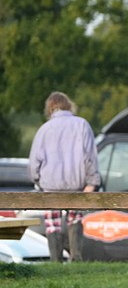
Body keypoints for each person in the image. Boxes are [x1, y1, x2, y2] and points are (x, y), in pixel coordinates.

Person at [28, 91, 101, 262]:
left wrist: (38, 180)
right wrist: (92, 182)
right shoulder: (82, 125)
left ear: (50, 108)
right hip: (76, 185)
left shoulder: (44, 129)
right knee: (75, 219)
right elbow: (90, 156)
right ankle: (76, 259)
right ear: (69, 105)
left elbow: (34, 162)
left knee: (52, 224)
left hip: (50, 186)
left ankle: (56, 261)